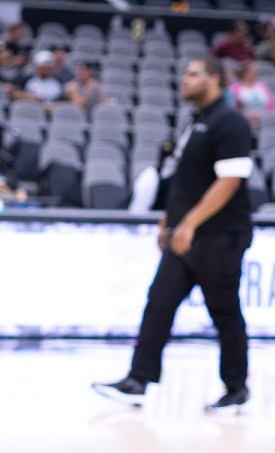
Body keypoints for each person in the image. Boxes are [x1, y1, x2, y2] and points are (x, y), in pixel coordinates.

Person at [94, 58, 255, 414]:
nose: (184, 80)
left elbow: (230, 181)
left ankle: (236, 388)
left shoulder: (230, 122)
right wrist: (170, 220)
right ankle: (137, 381)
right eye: (184, 74)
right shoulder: (194, 121)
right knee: (159, 303)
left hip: (219, 235)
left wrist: (190, 223)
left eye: (193, 74)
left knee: (224, 312)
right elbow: (186, 180)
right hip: (185, 233)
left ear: (214, 79)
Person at [229, 59, 273, 130]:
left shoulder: (263, 87)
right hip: (242, 121)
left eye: (255, 71)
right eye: (251, 71)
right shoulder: (233, 89)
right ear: (244, 72)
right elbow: (232, 107)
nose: (254, 72)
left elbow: (270, 108)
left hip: (262, 122)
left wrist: (260, 116)